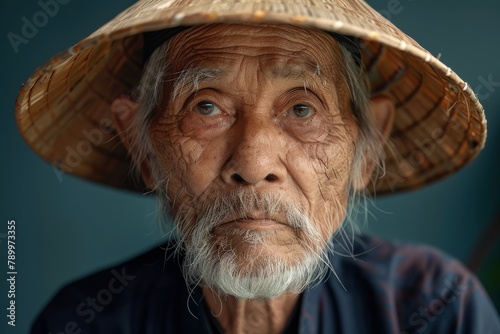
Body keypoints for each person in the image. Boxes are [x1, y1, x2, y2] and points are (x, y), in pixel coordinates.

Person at [15, 0, 499, 333]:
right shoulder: (83, 322)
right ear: (141, 147)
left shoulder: (435, 308)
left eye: (302, 109)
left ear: (366, 151)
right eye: (206, 107)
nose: (253, 163)